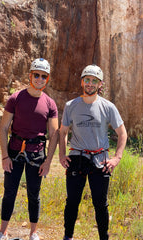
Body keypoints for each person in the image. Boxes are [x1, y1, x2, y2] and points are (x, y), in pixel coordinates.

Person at [59, 64, 127, 240]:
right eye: (87, 80)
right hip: (77, 158)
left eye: (94, 81)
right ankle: (68, 236)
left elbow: (122, 133)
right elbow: (63, 132)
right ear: (82, 82)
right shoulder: (71, 105)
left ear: (100, 84)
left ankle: (103, 237)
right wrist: (61, 154)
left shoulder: (108, 107)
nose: (90, 83)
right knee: (72, 202)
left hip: (100, 160)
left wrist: (116, 158)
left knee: (100, 204)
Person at [0, 58, 59, 240]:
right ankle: (2, 232)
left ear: (47, 79)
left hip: (37, 153)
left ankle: (33, 233)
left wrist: (48, 162)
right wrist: (4, 156)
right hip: (14, 151)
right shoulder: (16, 98)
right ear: (30, 75)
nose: (39, 79)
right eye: (36, 75)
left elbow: (54, 134)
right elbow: (4, 128)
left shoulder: (50, 104)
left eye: (43, 76)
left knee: (34, 194)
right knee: (9, 192)